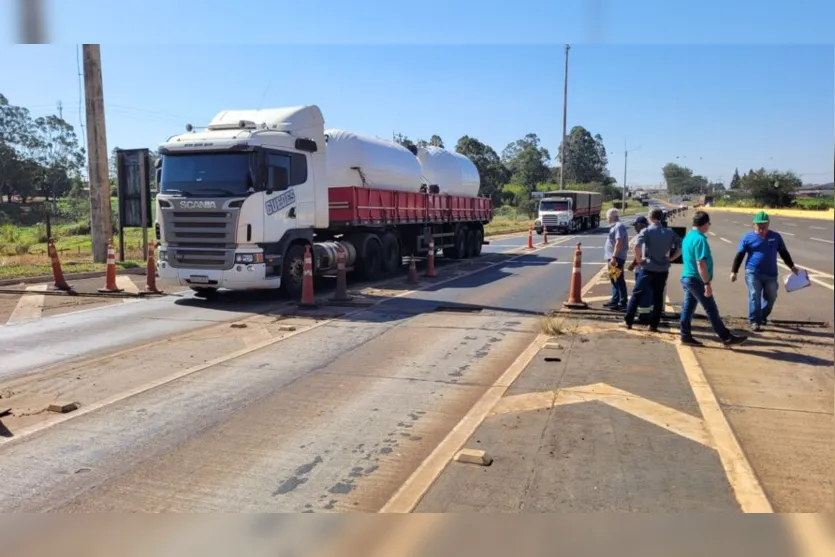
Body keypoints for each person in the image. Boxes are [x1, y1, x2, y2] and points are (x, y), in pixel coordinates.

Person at [680, 210, 748, 347]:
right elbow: (701, 263)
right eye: (709, 224)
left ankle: (685, 335)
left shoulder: (688, 237)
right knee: (711, 309)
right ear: (704, 224)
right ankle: (726, 337)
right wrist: (707, 283)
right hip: (696, 279)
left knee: (688, 308)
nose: (709, 226)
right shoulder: (700, 240)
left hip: (687, 277)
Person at [730, 211, 800, 332]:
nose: (762, 228)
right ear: (754, 225)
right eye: (759, 226)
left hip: (771, 274)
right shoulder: (748, 237)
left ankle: (761, 316)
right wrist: (734, 271)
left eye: (764, 225)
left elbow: (783, 252)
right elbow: (740, 255)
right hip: (753, 272)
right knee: (754, 296)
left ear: (768, 224)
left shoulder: (776, 237)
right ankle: (754, 321)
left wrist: (792, 266)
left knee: (771, 296)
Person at [624, 209, 682, 332]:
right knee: (657, 297)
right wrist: (671, 258)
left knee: (637, 293)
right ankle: (653, 325)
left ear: (650, 218)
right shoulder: (669, 232)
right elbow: (681, 246)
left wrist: (639, 260)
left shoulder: (646, 231)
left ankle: (628, 321)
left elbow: (637, 246)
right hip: (662, 269)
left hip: (648, 268)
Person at [603, 207, 629, 311]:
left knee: (618, 279)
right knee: (614, 279)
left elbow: (619, 242)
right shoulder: (616, 226)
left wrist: (614, 256)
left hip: (616, 258)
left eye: (608, 217)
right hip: (613, 257)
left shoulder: (619, 226)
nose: (607, 219)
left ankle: (622, 302)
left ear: (612, 217)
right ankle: (615, 300)